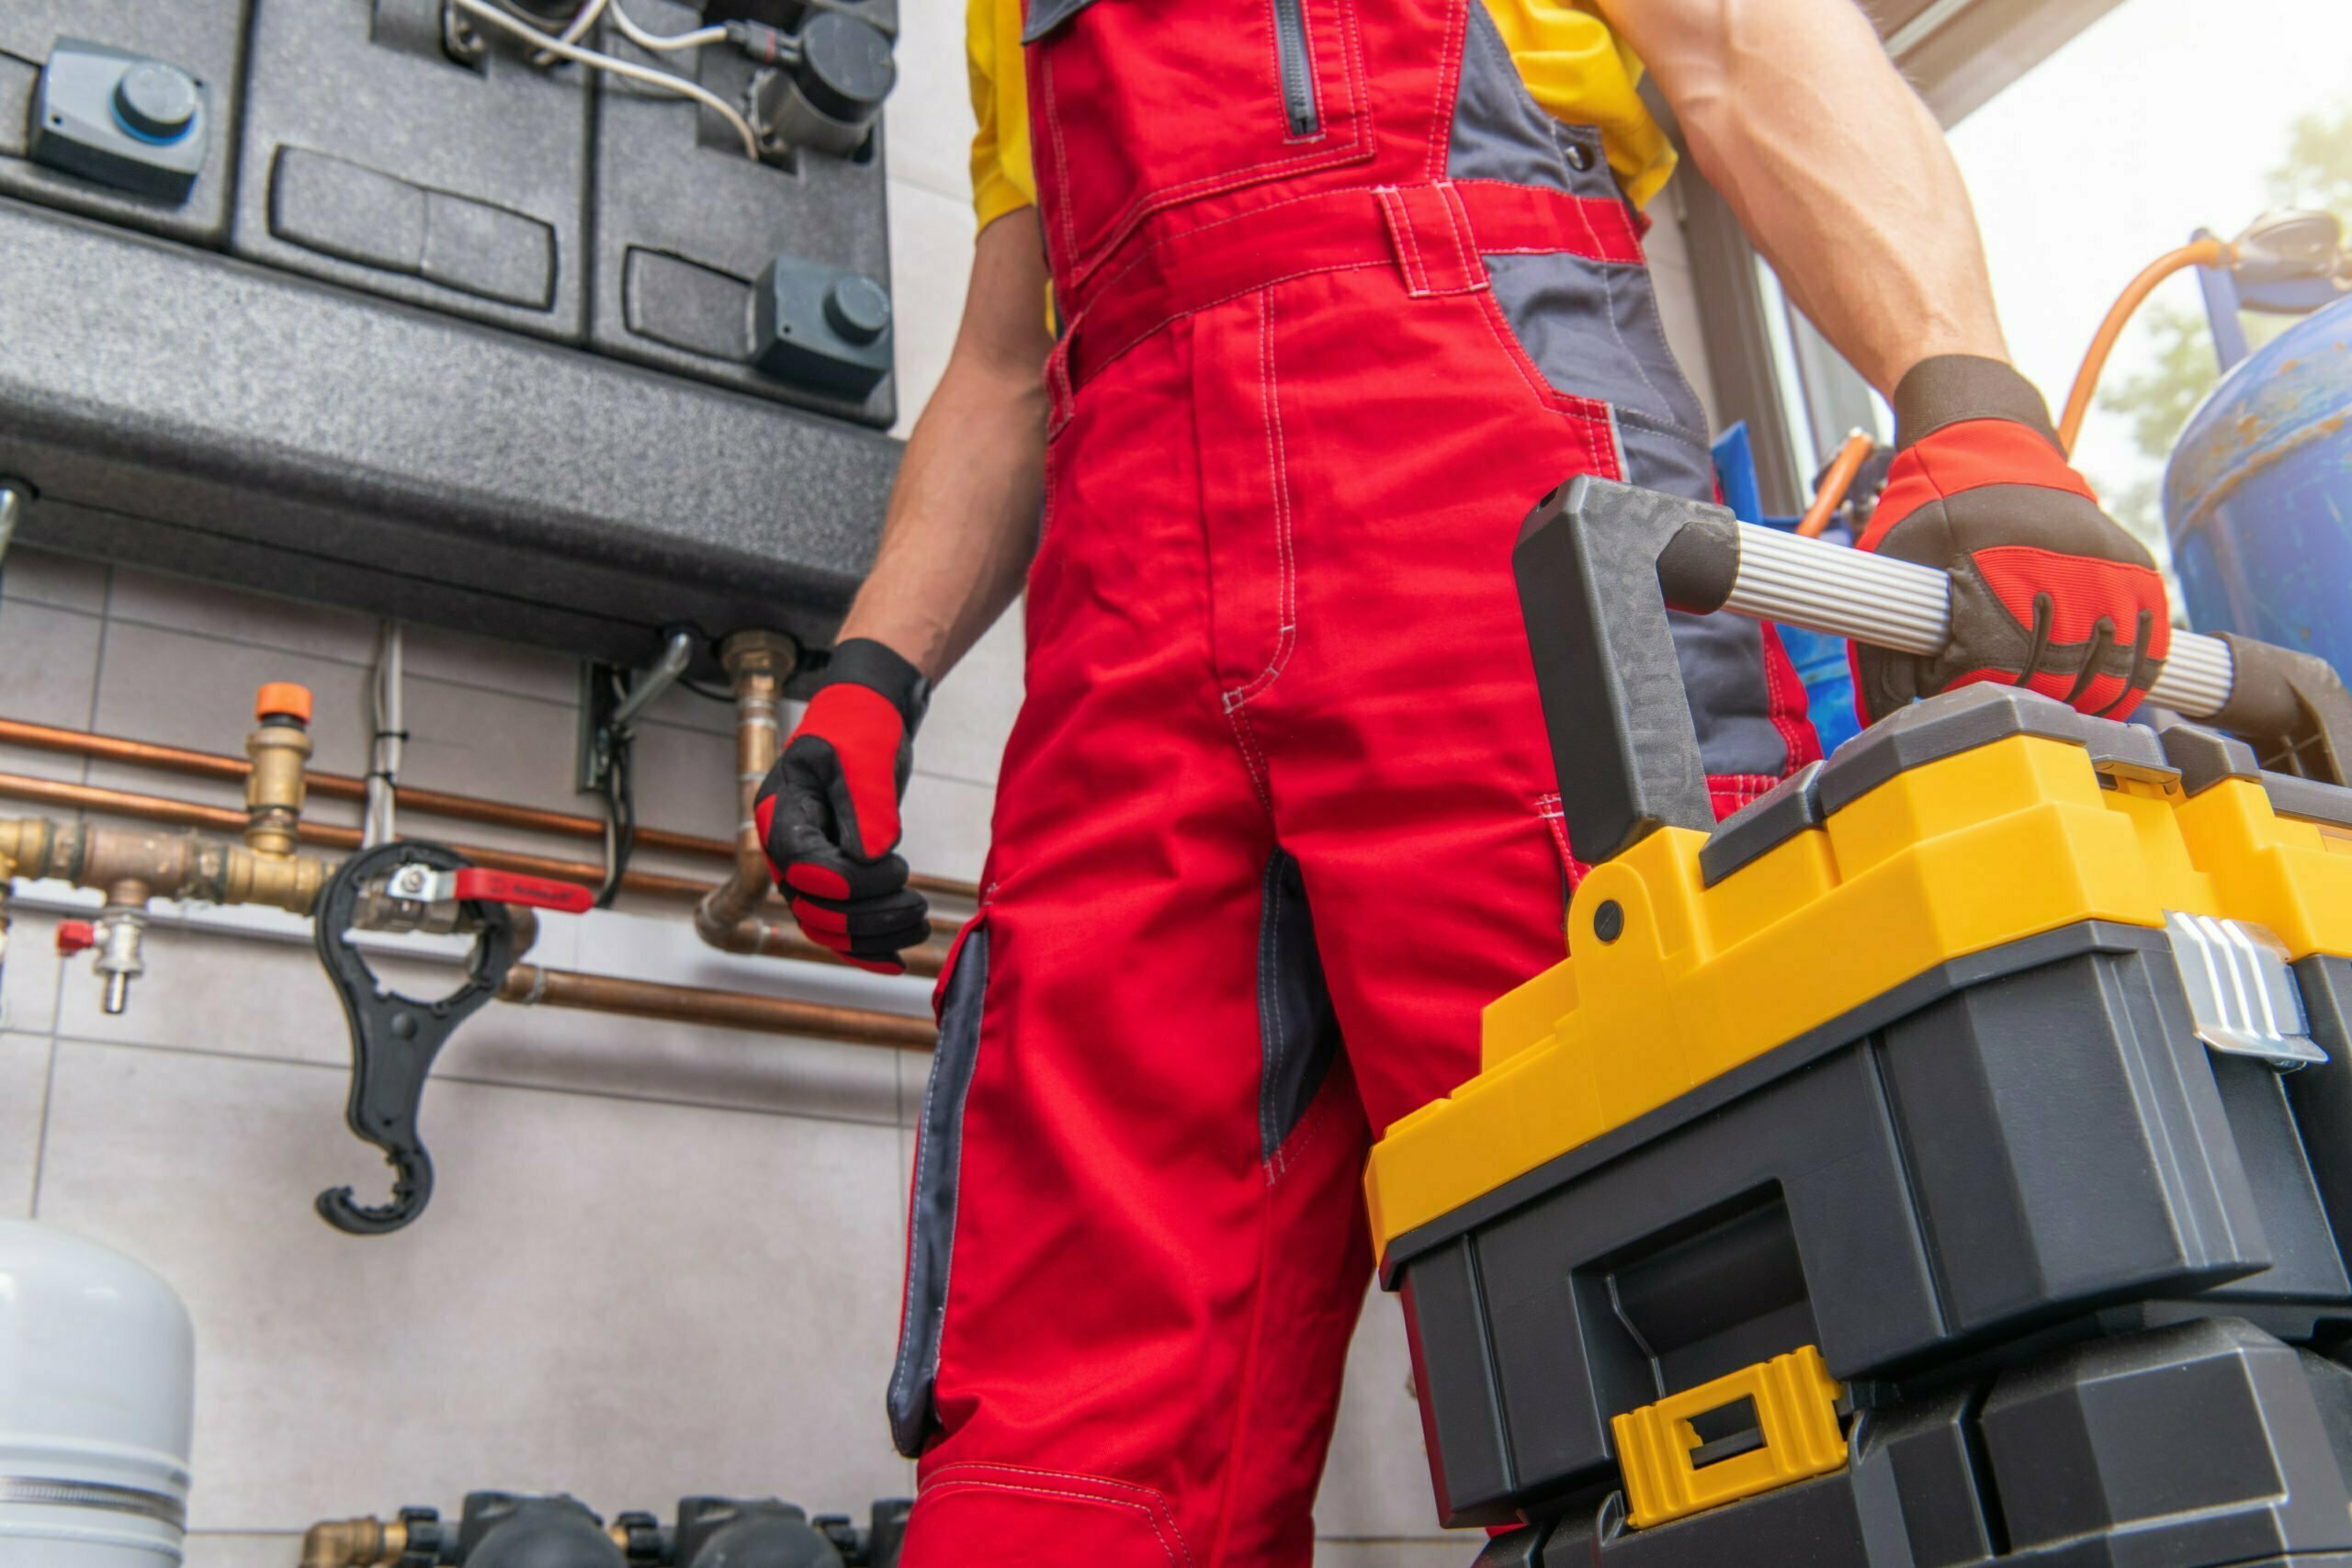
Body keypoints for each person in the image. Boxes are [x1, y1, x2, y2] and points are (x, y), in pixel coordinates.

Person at [754, 0, 2171, 1558]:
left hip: (1486, 488)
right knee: (1064, 1418)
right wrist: (873, 675)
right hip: (1127, 597)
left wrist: (1967, 407)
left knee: (1681, 1296)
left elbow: (1744, 46)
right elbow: (1007, 358)